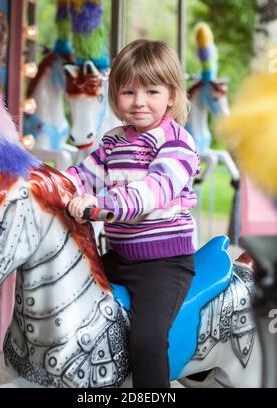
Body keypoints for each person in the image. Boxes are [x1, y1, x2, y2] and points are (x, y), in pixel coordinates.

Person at [67, 39, 200, 388]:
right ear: (115, 96)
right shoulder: (112, 141)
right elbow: (84, 176)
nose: (139, 101)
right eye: (128, 92)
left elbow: (153, 191)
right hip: (118, 256)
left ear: (171, 96)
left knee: (147, 340)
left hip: (163, 264)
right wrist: (50, 185)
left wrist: (104, 205)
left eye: (151, 91)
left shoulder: (178, 143)